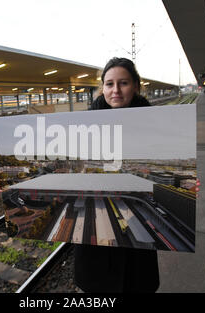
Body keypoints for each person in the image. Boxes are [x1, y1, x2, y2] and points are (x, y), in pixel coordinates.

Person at [74, 57, 160, 293]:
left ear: (136, 86)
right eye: (109, 84)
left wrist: (189, 183)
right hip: (95, 239)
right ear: (102, 88)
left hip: (137, 235)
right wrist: (14, 183)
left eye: (123, 83)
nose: (116, 91)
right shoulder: (81, 127)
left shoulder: (157, 125)